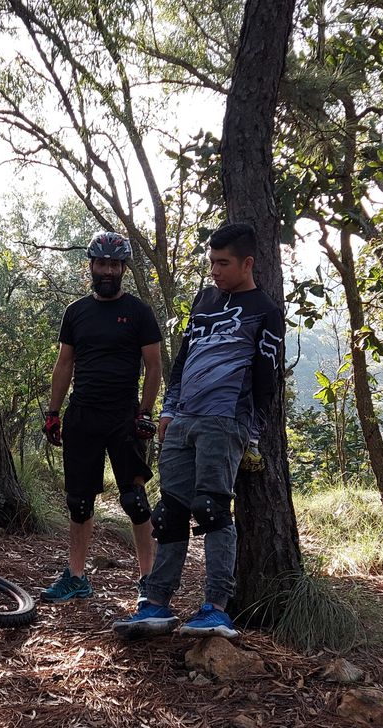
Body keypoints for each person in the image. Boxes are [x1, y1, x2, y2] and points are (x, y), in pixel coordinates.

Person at [112, 222, 282, 639]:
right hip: (183, 419)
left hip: (225, 422)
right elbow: (183, 358)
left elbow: (268, 380)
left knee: (211, 510)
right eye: (211, 262)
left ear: (247, 263)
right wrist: (169, 410)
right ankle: (155, 604)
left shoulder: (266, 309)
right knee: (169, 514)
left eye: (223, 263)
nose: (214, 271)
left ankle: (216, 608)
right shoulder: (205, 299)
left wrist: (251, 431)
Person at [39, 231, 163, 603]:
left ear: (123, 268)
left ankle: (150, 582)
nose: (108, 270)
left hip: (123, 416)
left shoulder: (139, 312)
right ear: (91, 266)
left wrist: (145, 412)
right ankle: (76, 577)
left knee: (135, 501)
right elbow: (64, 364)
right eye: (102, 263)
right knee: (79, 502)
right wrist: (53, 413)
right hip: (83, 415)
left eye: (114, 264)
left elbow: (153, 366)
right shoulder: (75, 312)